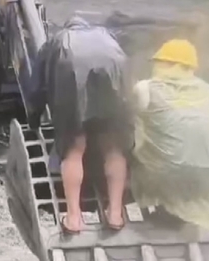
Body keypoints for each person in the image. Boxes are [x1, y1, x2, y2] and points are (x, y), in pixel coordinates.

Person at [29, 17, 132, 234]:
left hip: (72, 79)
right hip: (114, 74)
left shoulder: (55, 42)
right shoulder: (107, 36)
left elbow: (36, 87)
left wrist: (34, 119)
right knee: (113, 147)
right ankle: (115, 214)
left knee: (74, 149)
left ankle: (74, 218)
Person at [129, 39, 209, 231]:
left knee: (134, 142)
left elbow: (130, 115)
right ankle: (186, 211)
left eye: (160, 62)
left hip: (167, 173)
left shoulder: (145, 88)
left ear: (167, 64)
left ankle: (159, 207)